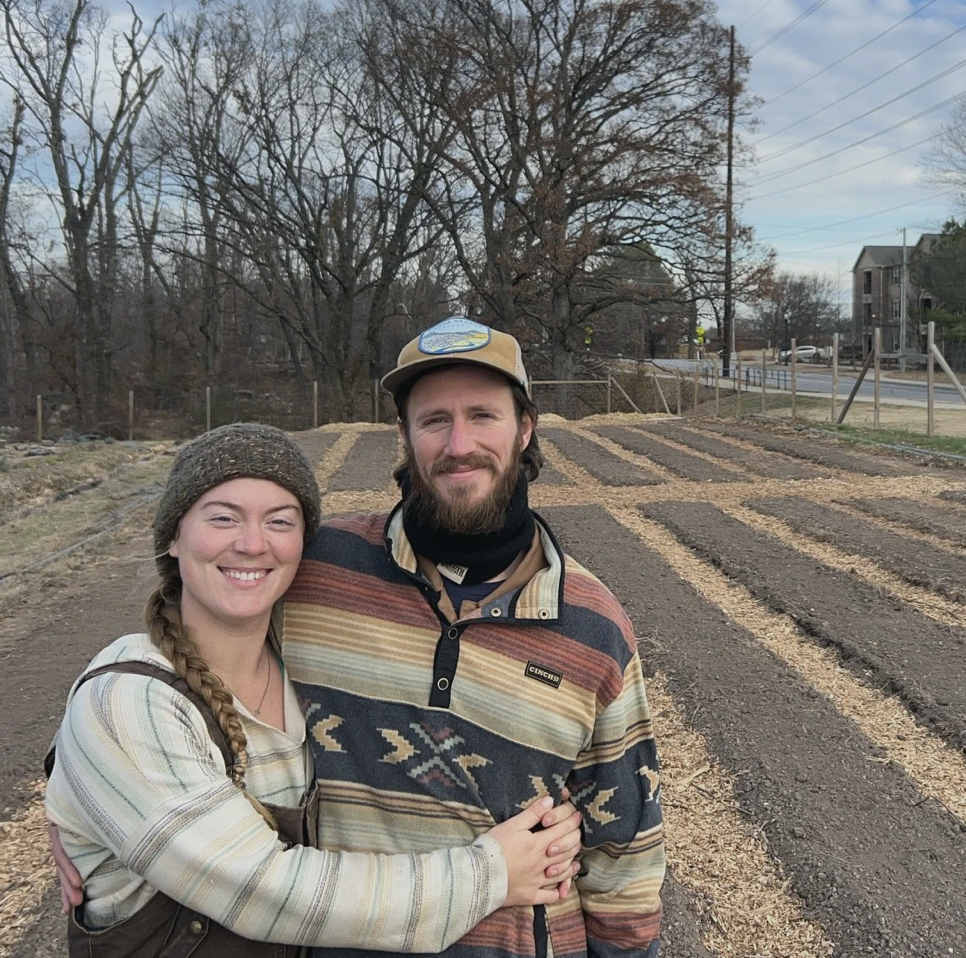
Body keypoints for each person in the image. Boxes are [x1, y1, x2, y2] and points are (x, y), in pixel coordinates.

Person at [45, 422, 582, 956]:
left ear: (304, 545)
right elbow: (264, 890)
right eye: (223, 518)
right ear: (172, 536)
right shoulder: (128, 699)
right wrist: (490, 872)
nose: (252, 544)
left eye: (279, 521)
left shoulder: (302, 670)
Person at [281, 317, 666, 958]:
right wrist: (83, 804)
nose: (459, 444)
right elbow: (182, 672)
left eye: (483, 415)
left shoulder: (592, 624)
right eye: (434, 420)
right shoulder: (317, 571)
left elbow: (622, 842)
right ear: (403, 437)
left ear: (526, 429)